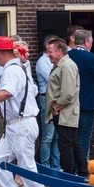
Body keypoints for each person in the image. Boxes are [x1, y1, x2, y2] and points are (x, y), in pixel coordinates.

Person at [0, 36, 55, 187]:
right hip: (17, 124)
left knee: (26, 166)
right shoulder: (17, 68)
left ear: (1, 52)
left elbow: (7, 93)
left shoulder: (12, 70)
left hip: (21, 124)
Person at [44, 38, 89, 177]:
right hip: (64, 112)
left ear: (59, 51)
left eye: (50, 51)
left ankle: (68, 176)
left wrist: (55, 108)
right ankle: (82, 173)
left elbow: (68, 93)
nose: (48, 54)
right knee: (72, 143)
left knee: (66, 145)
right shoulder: (62, 65)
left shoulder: (66, 66)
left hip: (64, 113)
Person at [68, 29, 94, 160]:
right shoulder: (91, 57)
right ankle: (83, 165)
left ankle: (72, 165)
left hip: (70, 103)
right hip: (87, 103)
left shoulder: (67, 56)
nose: (92, 45)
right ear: (85, 42)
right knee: (84, 135)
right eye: (91, 42)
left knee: (72, 136)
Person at [36, 34, 60, 170]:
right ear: (47, 46)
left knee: (56, 136)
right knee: (48, 136)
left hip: (56, 99)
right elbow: (52, 78)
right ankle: (45, 167)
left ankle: (56, 167)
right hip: (47, 98)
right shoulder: (42, 62)